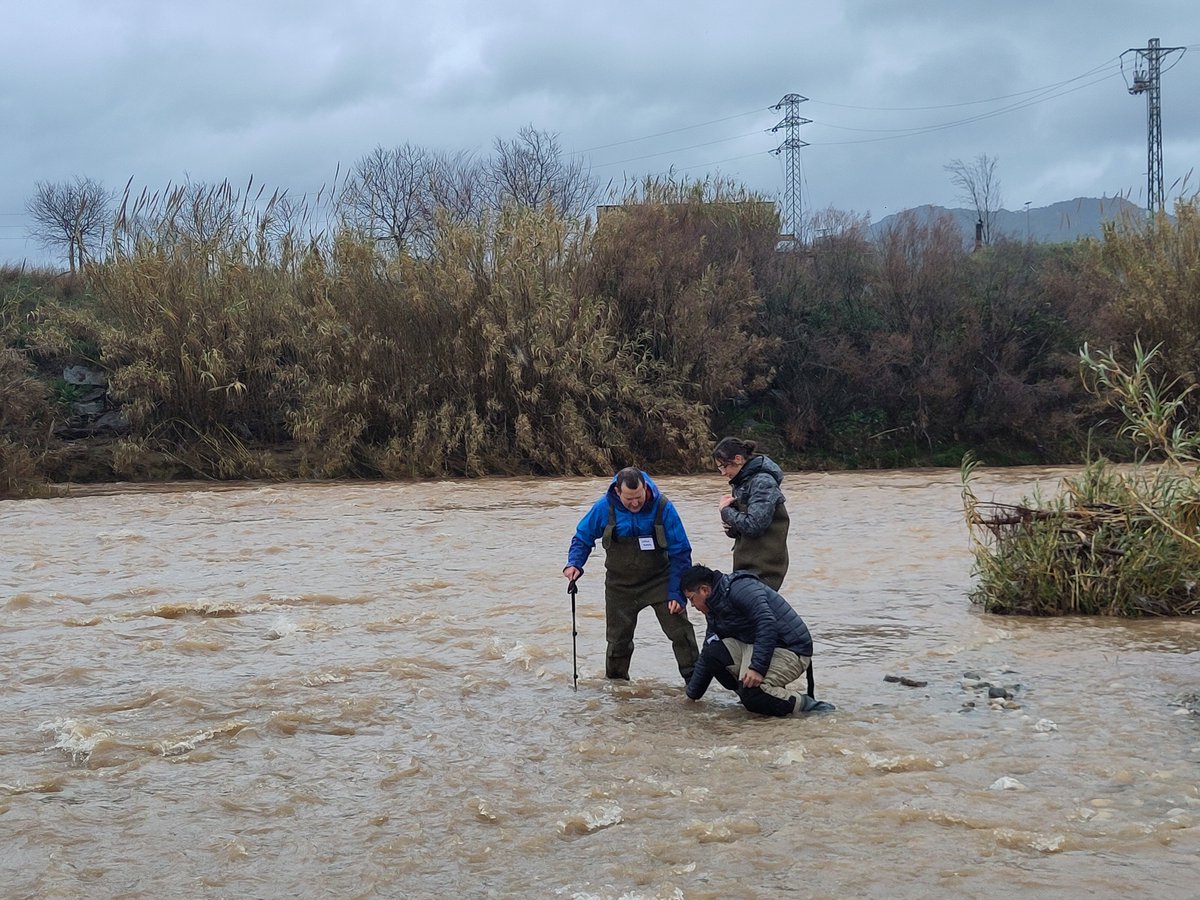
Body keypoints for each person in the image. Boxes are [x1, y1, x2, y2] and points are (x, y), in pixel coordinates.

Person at [563, 467, 700, 682]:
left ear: (645, 487)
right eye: (629, 499)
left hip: (660, 581)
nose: (635, 503)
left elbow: (681, 552)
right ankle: (618, 689)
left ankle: (696, 683)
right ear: (618, 492)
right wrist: (575, 565)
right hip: (620, 585)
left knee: (680, 632)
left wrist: (677, 593)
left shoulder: (663, 506)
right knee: (618, 640)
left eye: (639, 497)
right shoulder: (604, 507)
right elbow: (583, 537)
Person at [680, 564, 834, 717]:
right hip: (757, 646)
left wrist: (757, 669)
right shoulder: (714, 610)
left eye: (691, 599)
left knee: (753, 695)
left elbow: (767, 622)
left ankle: (809, 706)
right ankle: (753, 696)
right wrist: (691, 696)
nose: (693, 605)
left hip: (791, 648)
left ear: (705, 590)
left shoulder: (739, 588)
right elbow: (708, 650)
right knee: (712, 653)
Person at [713, 437, 790, 591]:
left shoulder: (763, 482)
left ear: (738, 459)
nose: (723, 473)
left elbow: (754, 526)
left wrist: (725, 511)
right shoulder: (741, 482)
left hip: (765, 568)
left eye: (723, 466)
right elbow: (741, 530)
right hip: (747, 565)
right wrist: (730, 525)